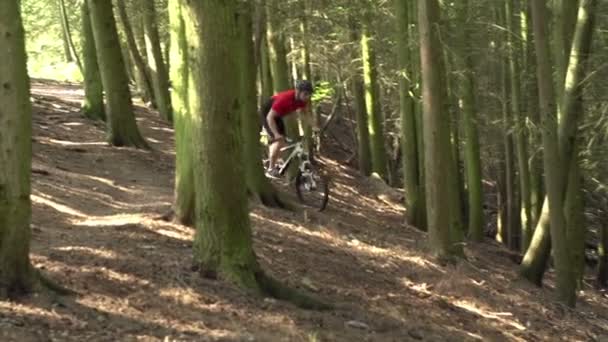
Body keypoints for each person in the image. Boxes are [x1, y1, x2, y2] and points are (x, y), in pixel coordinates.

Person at [261, 80, 314, 178]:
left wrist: (315, 127)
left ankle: (274, 159)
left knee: (283, 141)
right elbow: (270, 117)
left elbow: (305, 114)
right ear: (297, 91)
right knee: (279, 140)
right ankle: (270, 169)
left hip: (278, 116)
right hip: (268, 115)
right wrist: (276, 134)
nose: (307, 97)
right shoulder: (285, 99)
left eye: (309, 95)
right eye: (305, 94)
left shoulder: (302, 101)